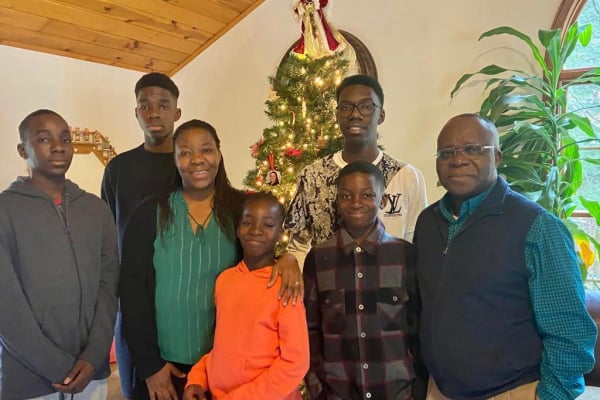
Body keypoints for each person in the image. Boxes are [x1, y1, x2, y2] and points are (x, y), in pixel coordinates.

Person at [414, 113, 597, 400]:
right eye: (447, 152)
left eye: (473, 149)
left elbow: (570, 330)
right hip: (440, 390)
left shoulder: (537, 226)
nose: (458, 159)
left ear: (497, 157)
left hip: (511, 391)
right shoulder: (427, 222)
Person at [120, 119, 303, 400]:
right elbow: (131, 293)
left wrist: (286, 257)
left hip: (225, 374)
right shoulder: (149, 213)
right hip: (164, 368)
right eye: (185, 152)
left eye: (206, 149)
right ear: (175, 159)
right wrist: (150, 366)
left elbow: (261, 246)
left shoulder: (240, 209)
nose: (197, 159)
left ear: (218, 153)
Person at [0, 109, 119, 399]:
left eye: (65, 139)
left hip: (91, 375)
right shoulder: (5, 211)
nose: (58, 147)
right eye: (44, 139)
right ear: (22, 150)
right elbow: (6, 306)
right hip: (30, 380)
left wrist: (93, 357)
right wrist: (58, 368)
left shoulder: (96, 210)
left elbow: (108, 287)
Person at [303, 161, 419, 400]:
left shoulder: (404, 255)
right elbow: (310, 327)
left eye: (367, 195)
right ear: (337, 201)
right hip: (337, 391)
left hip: (395, 390)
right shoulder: (319, 257)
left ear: (383, 201)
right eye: (346, 196)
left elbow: (418, 325)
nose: (356, 203)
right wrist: (314, 381)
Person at [285, 74, 427, 268]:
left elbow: (415, 242)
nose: (355, 114)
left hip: (388, 282)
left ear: (381, 115)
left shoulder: (406, 176)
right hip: (329, 282)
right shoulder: (313, 176)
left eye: (366, 106)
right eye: (346, 107)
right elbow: (298, 248)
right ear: (336, 115)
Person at [101, 72, 182, 399]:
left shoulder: (191, 166)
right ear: (136, 113)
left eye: (163, 105)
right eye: (145, 106)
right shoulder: (118, 169)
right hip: (134, 300)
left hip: (184, 298)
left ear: (176, 112)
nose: (153, 113)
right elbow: (108, 235)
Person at [183, 192, 309, 400]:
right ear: (238, 228)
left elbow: (295, 363)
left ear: (280, 233)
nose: (256, 230)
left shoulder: (286, 286)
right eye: (247, 222)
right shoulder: (225, 281)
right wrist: (198, 379)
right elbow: (222, 348)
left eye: (268, 225)